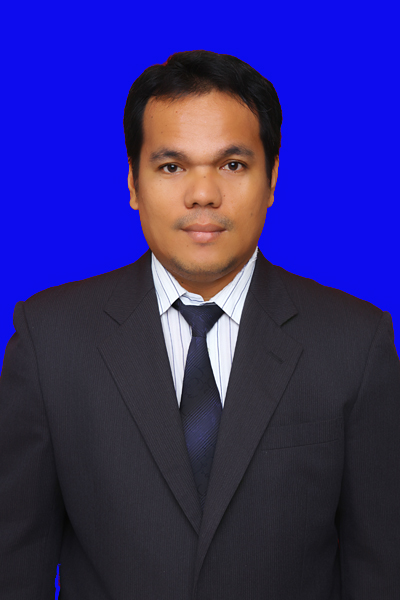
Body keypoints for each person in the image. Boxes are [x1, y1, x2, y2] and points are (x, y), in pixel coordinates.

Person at [0, 50, 399, 600]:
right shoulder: (50, 340)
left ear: (271, 178)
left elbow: (381, 568)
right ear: (133, 183)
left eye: (232, 165)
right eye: (172, 166)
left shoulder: (355, 343)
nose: (204, 194)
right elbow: (14, 565)